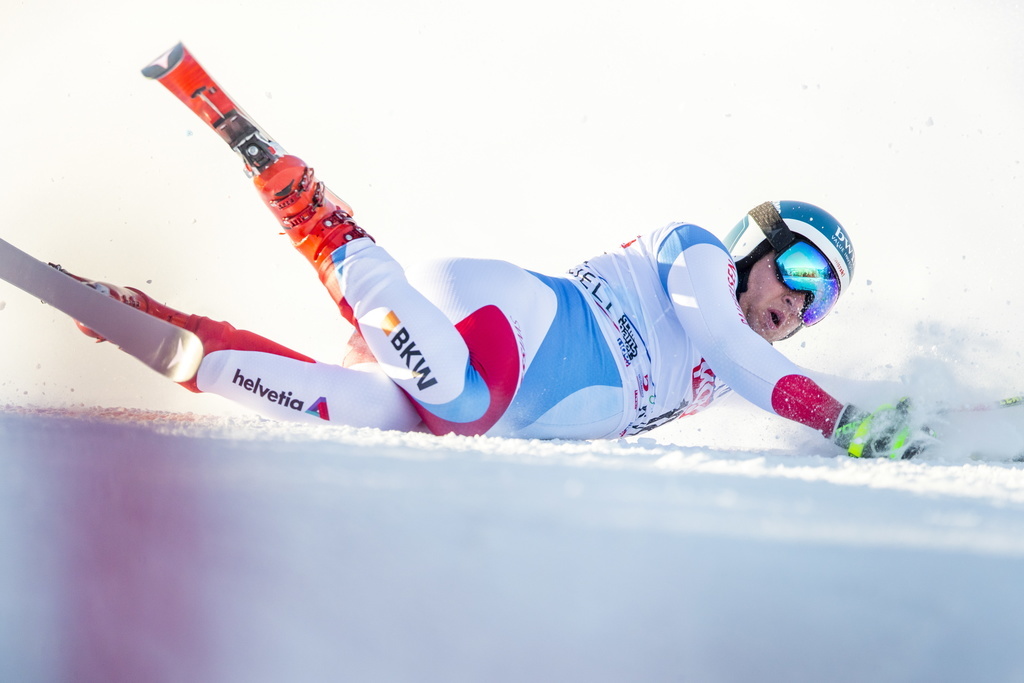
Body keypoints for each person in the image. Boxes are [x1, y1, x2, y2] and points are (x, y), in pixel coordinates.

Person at [67, 151, 930, 459]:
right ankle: (323, 227)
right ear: (755, 247)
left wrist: (924, 416)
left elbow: (758, 369)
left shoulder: (737, 359)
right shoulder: (698, 255)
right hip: (499, 320)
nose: (799, 309)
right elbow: (747, 360)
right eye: (801, 274)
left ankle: (141, 320)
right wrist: (841, 417)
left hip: (467, 405)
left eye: (821, 306)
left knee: (345, 409)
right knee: (466, 402)